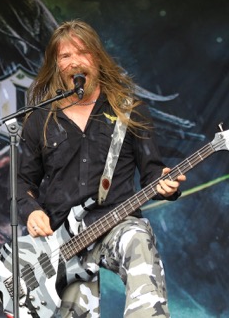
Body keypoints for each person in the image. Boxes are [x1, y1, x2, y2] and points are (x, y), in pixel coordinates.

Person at [16, 19, 185, 317]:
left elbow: (152, 173)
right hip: (63, 240)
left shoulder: (128, 109)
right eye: (65, 56)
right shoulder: (39, 120)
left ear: (97, 58)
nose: (74, 62)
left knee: (138, 239)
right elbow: (21, 183)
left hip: (117, 223)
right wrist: (31, 211)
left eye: (82, 52)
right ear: (56, 65)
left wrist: (165, 183)